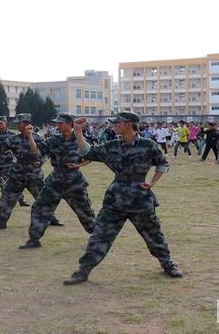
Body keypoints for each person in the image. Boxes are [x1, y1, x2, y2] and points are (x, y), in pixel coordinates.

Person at [63, 112, 182, 285]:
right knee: (100, 235)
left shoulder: (149, 145)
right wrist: (79, 131)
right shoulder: (111, 146)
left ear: (129, 124)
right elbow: (86, 151)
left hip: (140, 198)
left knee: (153, 233)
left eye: (118, 123)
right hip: (115, 199)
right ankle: (83, 271)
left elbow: (163, 163)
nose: (114, 125)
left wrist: (152, 182)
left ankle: (167, 264)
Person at [19, 114, 96, 249]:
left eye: (60, 123)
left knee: (85, 213)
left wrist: (80, 165)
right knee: (40, 207)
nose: (57, 126)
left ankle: (98, 238)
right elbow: (36, 151)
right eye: (57, 123)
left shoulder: (80, 138)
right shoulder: (53, 140)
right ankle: (34, 239)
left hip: (74, 182)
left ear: (69, 123)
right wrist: (30, 135)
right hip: (55, 181)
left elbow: (92, 155)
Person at [0, 114, 62, 229]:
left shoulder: (37, 138)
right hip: (17, 174)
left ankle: (52, 218)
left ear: (26, 123)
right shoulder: (14, 139)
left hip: (34, 175)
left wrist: (41, 161)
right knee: (7, 197)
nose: (17, 125)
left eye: (19, 123)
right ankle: (1, 222)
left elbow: (45, 153)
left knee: (43, 198)